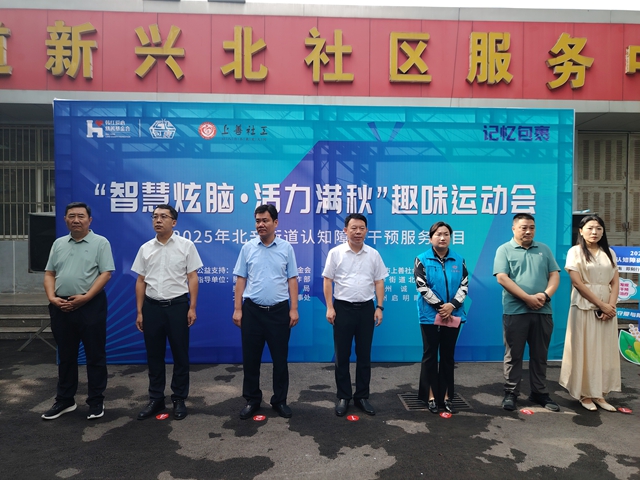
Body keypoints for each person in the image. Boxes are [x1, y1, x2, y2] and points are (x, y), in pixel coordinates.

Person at [42, 202, 115, 421]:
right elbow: (49, 273)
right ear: (65, 219)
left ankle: (96, 401)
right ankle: (65, 400)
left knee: (95, 355)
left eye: (81, 216)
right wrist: (52, 298)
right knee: (66, 356)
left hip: (90, 305)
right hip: (61, 306)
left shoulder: (100, 242)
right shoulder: (58, 244)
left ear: (89, 220)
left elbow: (106, 273)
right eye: (71, 216)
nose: (76, 220)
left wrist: (86, 297)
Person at [132, 204, 202, 421]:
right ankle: (156, 398)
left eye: (163, 216)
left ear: (174, 222)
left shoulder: (186, 246)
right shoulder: (145, 248)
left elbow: (192, 277)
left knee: (180, 354)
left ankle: (179, 398)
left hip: (177, 306)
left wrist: (192, 307)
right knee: (154, 355)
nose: (158, 220)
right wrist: (140, 311)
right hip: (152, 307)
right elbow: (141, 280)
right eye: (155, 216)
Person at [233, 204, 299, 419]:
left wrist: (294, 309)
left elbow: (292, 279)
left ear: (275, 223)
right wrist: (238, 309)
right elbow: (241, 279)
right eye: (258, 221)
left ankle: (279, 401)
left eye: (265, 220)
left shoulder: (286, 248)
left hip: (279, 312)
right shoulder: (248, 248)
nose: (260, 224)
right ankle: (252, 400)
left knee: (280, 360)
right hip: (252, 311)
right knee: (250, 359)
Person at [493, 213, 561, 412]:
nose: (528, 231)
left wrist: (545, 296)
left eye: (531, 227)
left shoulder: (544, 249)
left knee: (540, 355)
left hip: (542, 311)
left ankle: (539, 392)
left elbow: (554, 275)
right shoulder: (504, 249)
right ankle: (511, 393)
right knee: (513, 355)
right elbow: (502, 278)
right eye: (524, 227)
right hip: (515, 311)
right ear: (514, 228)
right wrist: (527, 298)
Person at [323, 213, 388, 417]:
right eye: (353, 228)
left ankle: (362, 397)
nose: (358, 232)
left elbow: (379, 281)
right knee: (342, 355)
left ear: (366, 230)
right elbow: (327, 280)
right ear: (345, 230)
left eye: (361, 228)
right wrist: (330, 307)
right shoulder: (335, 253)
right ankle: (344, 396)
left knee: (364, 355)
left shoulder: (373, 254)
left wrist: (379, 307)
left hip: (366, 309)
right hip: (342, 309)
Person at [559, 215, 620, 412]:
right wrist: (601, 305)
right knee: (584, 349)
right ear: (581, 231)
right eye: (590, 228)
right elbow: (577, 283)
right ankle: (584, 394)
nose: (595, 232)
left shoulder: (609, 252)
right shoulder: (575, 252)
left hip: (607, 308)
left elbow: (615, 282)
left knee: (604, 350)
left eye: (599, 228)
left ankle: (599, 393)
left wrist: (610, 306)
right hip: (584, 306)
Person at [414, 221, 468, 414]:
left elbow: (464, 285)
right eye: (438, 234)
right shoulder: (421, 259)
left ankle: (445, 396)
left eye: (446, 234)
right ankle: (429, 396)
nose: (442, 237)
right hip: (429, 316)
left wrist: (451, 305)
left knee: (447, 356)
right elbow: (422, 286)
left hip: (453, 315)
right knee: (430, 355)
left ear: (450, 238)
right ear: (430, 238)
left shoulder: (459, 260)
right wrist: (440, 307)